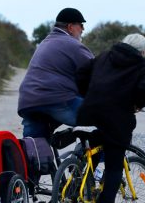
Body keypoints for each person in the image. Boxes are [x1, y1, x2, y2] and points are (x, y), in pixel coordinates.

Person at [75, 33, 145, 203]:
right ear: (143, 51)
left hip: (87, 113)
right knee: (114, 164)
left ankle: (75, 196)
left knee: (91, 156)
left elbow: (81, 73)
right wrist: (136, 103)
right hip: (116, 119)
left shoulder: (104, 56)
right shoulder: (140, 65)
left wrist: (89, 95)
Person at [17, 8, 94, 139]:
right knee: (106, 117)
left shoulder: (45, 43)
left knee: (35, 150)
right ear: (70, 27)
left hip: (28, 102)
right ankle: (90, 155)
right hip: (56, 100)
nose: (83, 29)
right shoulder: (73, 44)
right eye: (81, 25)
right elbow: (98, 71)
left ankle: (39, 159)